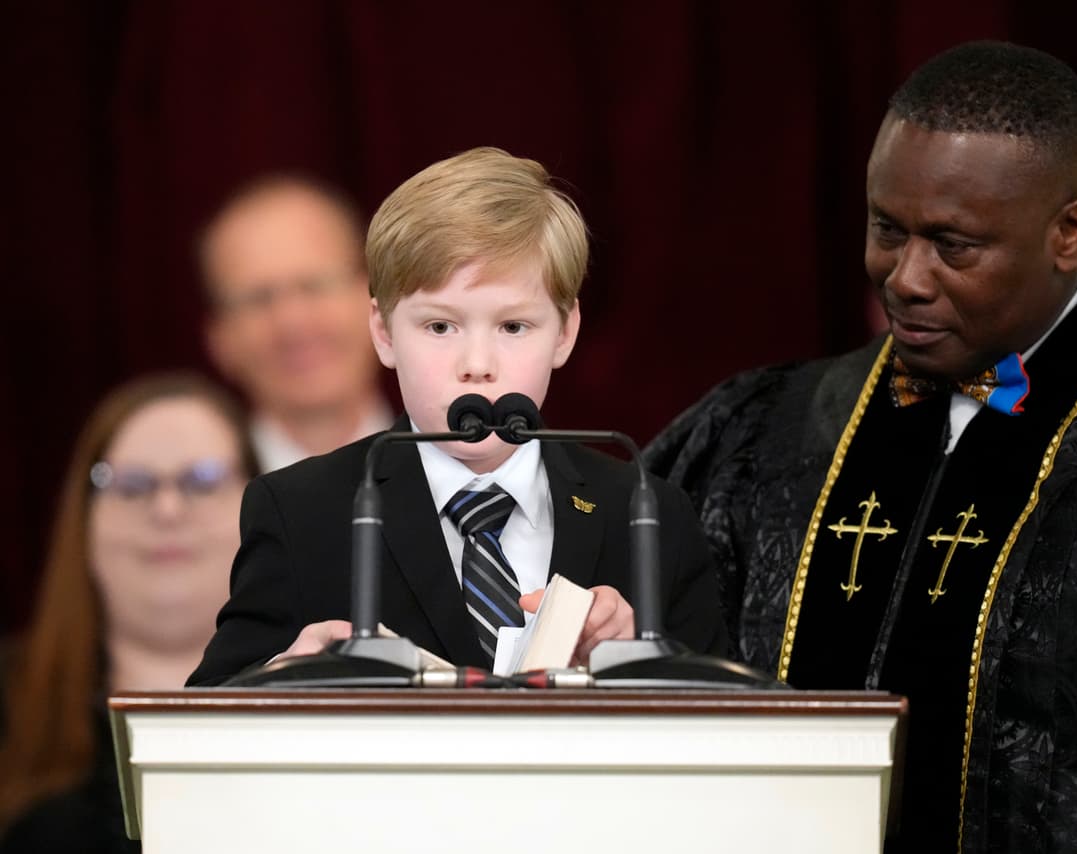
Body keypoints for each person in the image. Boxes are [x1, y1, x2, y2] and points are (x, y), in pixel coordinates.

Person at [644, 41, 1077, 853]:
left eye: (954, 245)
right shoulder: (768, 427)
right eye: (886, 230)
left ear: (1071, 232)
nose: (905, 278)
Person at [188, 147, 726, 685]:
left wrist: (644, 668)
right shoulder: (301, 510)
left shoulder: (647, 514)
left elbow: (729, 733)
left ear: (565, 332)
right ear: (382, 331)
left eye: (513, 327)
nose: (477, 366)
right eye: (440, 327)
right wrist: (284, 675)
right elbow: (199, 728)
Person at [0, 373, 258, 853]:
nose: (166, 509)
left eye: (201, 481)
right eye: (133, 485)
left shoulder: (322, 704)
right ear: (85, 516)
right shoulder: (9, 701)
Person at [200, 175, 392, 471]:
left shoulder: (472, 478)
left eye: (314, 285)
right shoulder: (195, 510)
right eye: (258, 299)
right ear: (220, 339)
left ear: (376, 299)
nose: (293, 322)